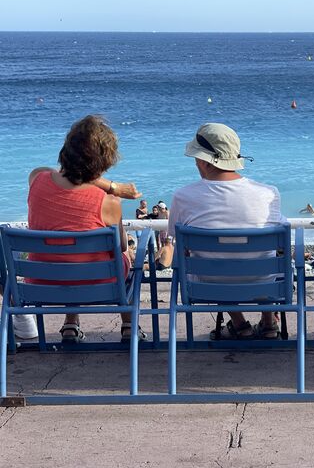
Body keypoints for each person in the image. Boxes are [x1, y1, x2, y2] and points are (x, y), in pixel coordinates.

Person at [27, 115, 146, 343]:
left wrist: (103, 183)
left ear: (66, 150)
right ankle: (129, 325)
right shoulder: (108, 202)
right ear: (104, 161)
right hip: (99, 284)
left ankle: (71, 323)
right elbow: (120, 245)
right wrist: (112, 187)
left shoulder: (36, 180)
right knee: (122, 253)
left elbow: (51, 171)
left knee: (66, 252)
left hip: (43, 281)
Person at [167, 122, 285, 339]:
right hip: (262, 279)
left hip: (210, 284)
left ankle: (240, 325)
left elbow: (178, 244)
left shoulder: (183, 197)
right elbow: (281, 236)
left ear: (204, 161)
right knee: (271, 257)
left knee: (214, 262)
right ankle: (269, 323)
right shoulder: (269, 193)